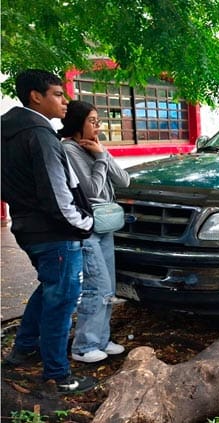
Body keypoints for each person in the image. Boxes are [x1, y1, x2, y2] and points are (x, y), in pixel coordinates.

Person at [0, 69, 96, 394]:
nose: (65, 101)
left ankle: (24, 348)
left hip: (27, 227)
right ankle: (58, 374)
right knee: (62, 300)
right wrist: (84, 224)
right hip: (55, 233)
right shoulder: (39, 134)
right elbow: (57, 194)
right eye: (57, 94)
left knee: (50, 288)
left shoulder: (7, 130)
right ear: (35, 96)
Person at [59, 100, 130, 363]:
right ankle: (84, 346)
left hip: (105, 224)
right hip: (88, 226)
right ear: (77, 123)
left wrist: (103, 153)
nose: (97, 126)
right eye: (92, 121)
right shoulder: (69, 150)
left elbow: (124, 180)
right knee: (96, 285)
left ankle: (101, 339)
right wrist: (100, 159)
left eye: (98, 121)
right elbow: (91, 190)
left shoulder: (96, 147)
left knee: (108, 285)